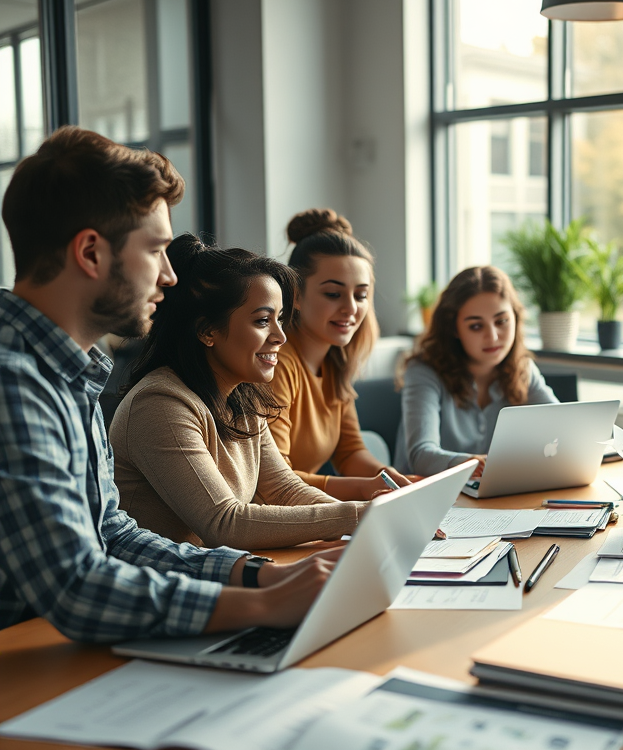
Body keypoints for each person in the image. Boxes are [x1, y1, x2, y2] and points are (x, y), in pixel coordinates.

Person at [0, 126, 341, 642]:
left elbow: (111, 535)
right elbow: (76, 586)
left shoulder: (72, 373)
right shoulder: (12, 380)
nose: (169, 276)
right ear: (91, 253)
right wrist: (266, 603)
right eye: (155, 250)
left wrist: (257, 575)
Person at [111, 234, 384, 550]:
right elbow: (224, 524)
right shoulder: (159, 404)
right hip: (168, 588)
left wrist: (365, 520)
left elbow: (284, 489)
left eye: (279, 319)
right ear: (207, 331)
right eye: (263, 320)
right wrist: (356, 516)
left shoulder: (244, 396)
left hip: (219, 575)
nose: (280, 336)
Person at [268, 208, 409, 496]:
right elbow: (273, 481)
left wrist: (391, 479)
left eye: (361, 295)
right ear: (294, 294)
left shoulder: (334, 363)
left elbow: (349, 452)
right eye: (333, 294)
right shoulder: (276, 364)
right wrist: (368, 488)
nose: (351, 308)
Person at [395, 265, 557, 476]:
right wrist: (472, 464)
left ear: (516, 318)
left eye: (501, 321)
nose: (493, 337)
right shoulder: (424, 371)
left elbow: (562, 427)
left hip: (492, 499)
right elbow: (421, 457)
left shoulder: (522, 368)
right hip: (427, 496)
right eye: (476, 326)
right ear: (454, 328)